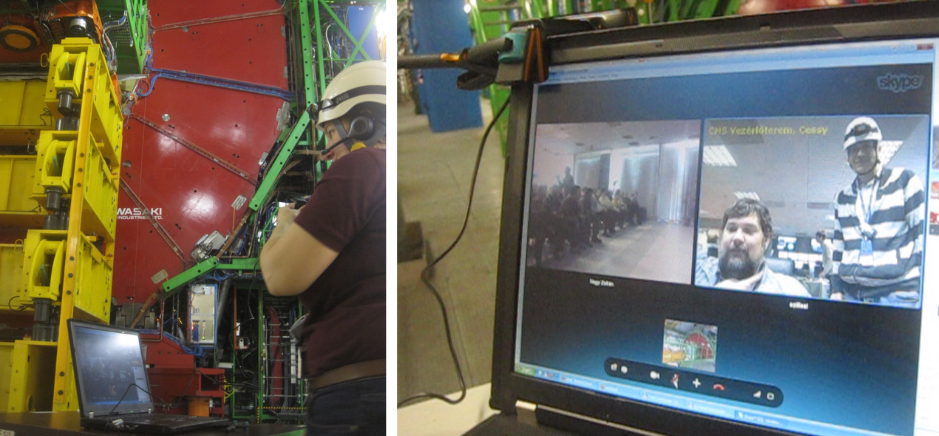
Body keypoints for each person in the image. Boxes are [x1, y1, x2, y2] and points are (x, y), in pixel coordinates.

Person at [260, 60, 386, 435]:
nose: (326, 150)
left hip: (355, 399)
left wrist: (283, 225)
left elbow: (279, 276)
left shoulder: (362, 165)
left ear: (362, 123)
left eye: (330, 131)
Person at [831, 117, 925, 307]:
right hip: (851, 295)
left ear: (878, 149)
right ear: (847, 157)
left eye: (866, 147)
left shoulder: (905, 181)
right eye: (853, 150)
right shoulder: (842, 197)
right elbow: (838, 249)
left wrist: (918, 289)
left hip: (896, 295)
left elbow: (921, 239)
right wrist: (836, 289)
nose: (859, 154)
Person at [695, 198, 810, 297]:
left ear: (765, 242)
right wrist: (714, 298)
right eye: (731, 229)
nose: (737, 238)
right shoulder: (696, 272)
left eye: (748, 230)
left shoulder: (790, 291)